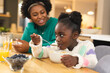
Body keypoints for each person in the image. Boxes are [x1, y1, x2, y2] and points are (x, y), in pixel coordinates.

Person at [29, 11, 98, 69]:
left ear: (75, 35)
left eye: (61, 35)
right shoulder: (56, 46)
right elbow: (40, 54)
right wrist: (37, 44)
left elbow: (93, 62)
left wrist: (76, 60)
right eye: (56, 35)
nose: (57, 39)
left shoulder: (86, 46)